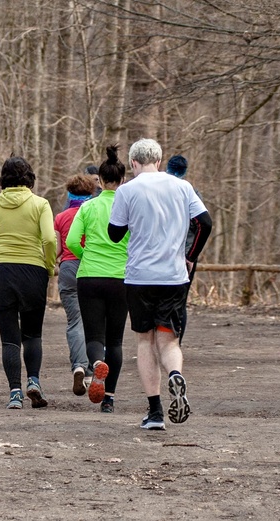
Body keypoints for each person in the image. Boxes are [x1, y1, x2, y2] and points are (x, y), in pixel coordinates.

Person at [108, 138, 212, 430]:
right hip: (174, 275)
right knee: (169, 339)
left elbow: (115, 234)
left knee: (145, 340)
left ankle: (155, 412)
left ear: (133, 163)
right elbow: (205, 222)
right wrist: (190, 256)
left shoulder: (127, 190)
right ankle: (175, 374)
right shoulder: (182, 187)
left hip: (140, 276)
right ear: (160, 159)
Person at [0, 156, 56, 409]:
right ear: (30, 178)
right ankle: (34, 381)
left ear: (3, 179)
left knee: (10, 339)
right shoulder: (40, 204)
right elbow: (50, 240)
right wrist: (49, 265)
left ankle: (15, 394)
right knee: (32, 334)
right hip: (33, 271)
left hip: (1, 273)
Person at [66, 146, 130, 413]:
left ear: (99, 182)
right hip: (120, 277)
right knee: (115, 340)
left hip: (90, 276)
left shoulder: (88, 207)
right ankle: (110, 399)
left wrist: (87, 255)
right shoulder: (129, 207)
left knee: (94, 335)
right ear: (123, 180)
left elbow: (70, 241)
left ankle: (96, 365)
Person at [53, 174, 92, 396]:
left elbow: (57, 249)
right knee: (95, 319)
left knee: (75, 321)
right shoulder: (94, 212)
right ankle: (91, 369)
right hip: (93, 268)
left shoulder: (61, 217)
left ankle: (78, 365)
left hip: (68, 268)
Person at [165, 155, 203, 344]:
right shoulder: (191, 192)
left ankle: (162, 343)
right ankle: (175, 343)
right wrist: (191, 255)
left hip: (164, 253)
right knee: (180, 302)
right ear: (185, 171)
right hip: (186, 254)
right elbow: (201, 225)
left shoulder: (159, 190)